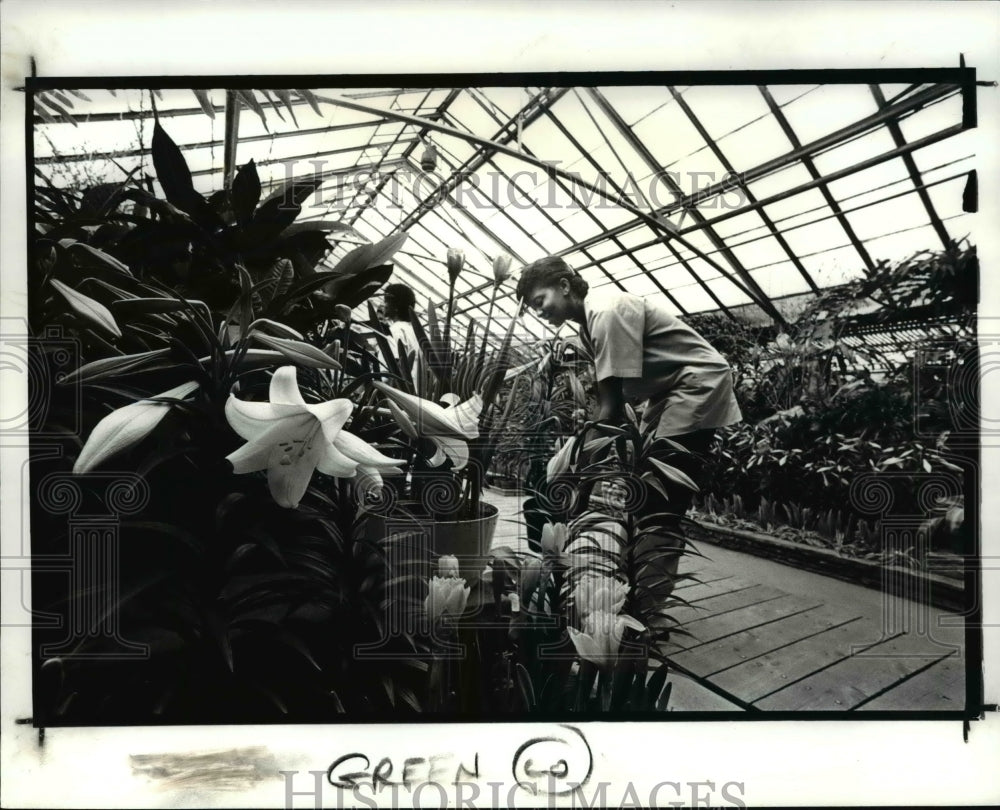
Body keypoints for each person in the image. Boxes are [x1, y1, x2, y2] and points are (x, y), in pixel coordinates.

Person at [516, 256, 743, 609]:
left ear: (563, 285)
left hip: (694, 388)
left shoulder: (606, 312)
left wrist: (577, 479)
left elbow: (610, 411)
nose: (539, 311)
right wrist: (580, 473)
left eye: (539, 300)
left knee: (660, 504)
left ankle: (644, 611)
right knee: (643, 495)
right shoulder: (589, 325)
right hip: (666, 394)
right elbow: (613, 413)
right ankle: (637, 594)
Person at [380, 283, 424, 392]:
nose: (383, 305)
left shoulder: (394, 330)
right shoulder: (417, 332)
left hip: (395, 394)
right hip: (415, 394)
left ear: (396, 307)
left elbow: (391, 369)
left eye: (386, 301)